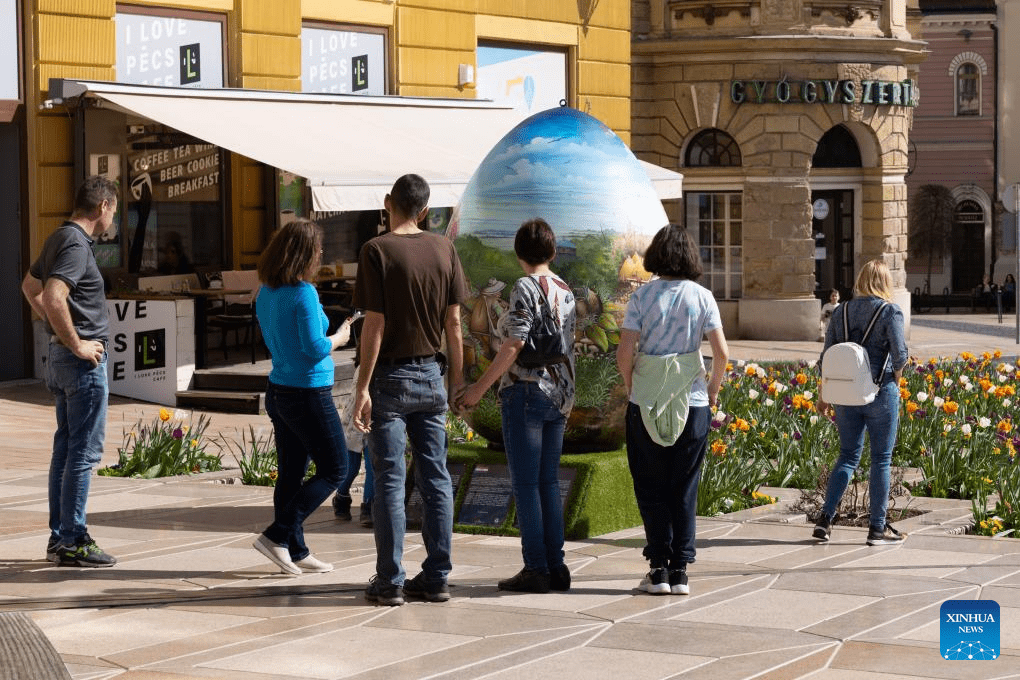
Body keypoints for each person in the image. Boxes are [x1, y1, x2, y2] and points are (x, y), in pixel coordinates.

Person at [352, 174, 466, 606]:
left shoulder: (376, 250)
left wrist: (362, 386)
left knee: (390, 481)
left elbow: (374, 325)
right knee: (436, 479)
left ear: (388, 203)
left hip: (391, 380)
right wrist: (456, 381)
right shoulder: (444, 248)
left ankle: (391, 581)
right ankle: (437, 577)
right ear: (425, 210)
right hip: (432, 378)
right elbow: (454, 323)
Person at [457, 219, 576, 593]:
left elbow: (514, 344)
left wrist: (477, 389)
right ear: (552, 252)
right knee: (546, 482)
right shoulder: (565, 289)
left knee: (526, 485)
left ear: (519, 254)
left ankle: (535, 568)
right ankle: (556, 566)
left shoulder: (524, 287)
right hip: (560, 395)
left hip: (526, 391)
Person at [616, 225, 728, 596]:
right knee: (684, 486)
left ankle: (658, 568)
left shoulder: (641, 297)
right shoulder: (703, 297)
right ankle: (681, 569)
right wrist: (710, 393)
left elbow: (624, 351)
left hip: (645, 400)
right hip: (692, 401)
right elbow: (722, 354)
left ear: (655, 256)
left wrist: (634, 387)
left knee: (650, 485)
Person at [21, 176, 119, 568]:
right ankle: (74, 539)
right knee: (82, 454)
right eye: (113, 210)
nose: (112, 218)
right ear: (103, 207)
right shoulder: (77, 246)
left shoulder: (58, 237)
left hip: (61, 360)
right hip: (80, 364)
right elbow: (52, 294)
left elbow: (30, 287)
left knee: (65, 450)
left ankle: (59, 536)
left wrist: (59, 332)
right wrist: (76, 341)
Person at [253, 218, 353, 575]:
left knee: (291, 474)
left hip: (279, 389)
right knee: (335, 468)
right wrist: (339, 339)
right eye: (318, 249)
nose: (322, 254)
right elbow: (314, 349)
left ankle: (295, 549)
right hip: (308, 391)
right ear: (305, 254)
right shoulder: (304, 293)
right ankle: (277, 534)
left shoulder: (267, 291)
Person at [814, 258, 909, 546]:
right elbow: (901, 356)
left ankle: (825, 520)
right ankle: (876, 529)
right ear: (885, 283)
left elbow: (825, 360)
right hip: (880, 392)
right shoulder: (890, 311)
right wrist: (896, 379)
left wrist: (823, 396)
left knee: (847, 456)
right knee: (880, 460)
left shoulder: (841, 310)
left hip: (845, 395)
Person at [335, 360, 376, 528]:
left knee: (373, 466)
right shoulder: (364, 368)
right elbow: (356, 397)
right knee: (351, 468)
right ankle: (341, 497)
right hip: (356, 422)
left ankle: (367, 506)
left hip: (376, 422)